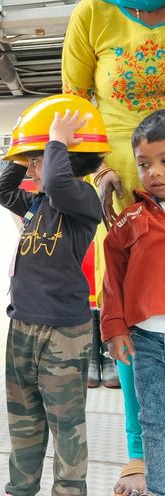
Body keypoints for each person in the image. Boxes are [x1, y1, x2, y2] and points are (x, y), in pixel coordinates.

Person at [62, 0, 165, 490]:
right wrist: (98, 171)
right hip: (124, 190)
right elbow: (75, 104)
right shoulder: (95, 12)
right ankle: (141, 452)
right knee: (134, 319)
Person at [0, 94, 110, 496]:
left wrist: (56, 140)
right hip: (22, 325)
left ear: (66, 158)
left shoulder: (83, 199)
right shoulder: (38, 203)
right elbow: (2, 190)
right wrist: (24, 151)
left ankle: (69, 490)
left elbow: (60, 182)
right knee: (23, 419)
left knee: (66, 423)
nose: (31, 169)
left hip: (63, 332)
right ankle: (21, 488)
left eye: (37, 160)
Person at [101, 109, 165, 496]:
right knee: (153, 418)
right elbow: (113, 278)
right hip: (146, 342)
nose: (154, 172)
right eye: (144, 164)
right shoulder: (132, 219)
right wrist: (114, 328)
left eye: (164, 161)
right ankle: (158, 487)